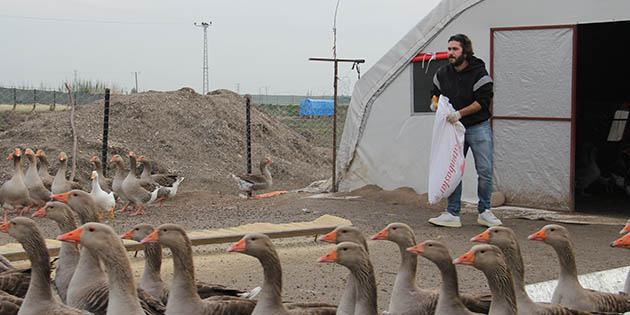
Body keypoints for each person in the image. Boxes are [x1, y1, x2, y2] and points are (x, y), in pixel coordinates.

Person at [427, 34, 502, 228]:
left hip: (478, 127)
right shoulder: (443, 73)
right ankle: (452, 213)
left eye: (455, 49)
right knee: (453, 170)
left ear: (465, 52)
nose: (450, 53)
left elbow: (483, 101)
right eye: (449, 49)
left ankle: (485, 211)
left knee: (484, 170)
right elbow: (435, 92)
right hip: (454, 130)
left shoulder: (479, 72)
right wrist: (435, 103)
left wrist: (460, 113)